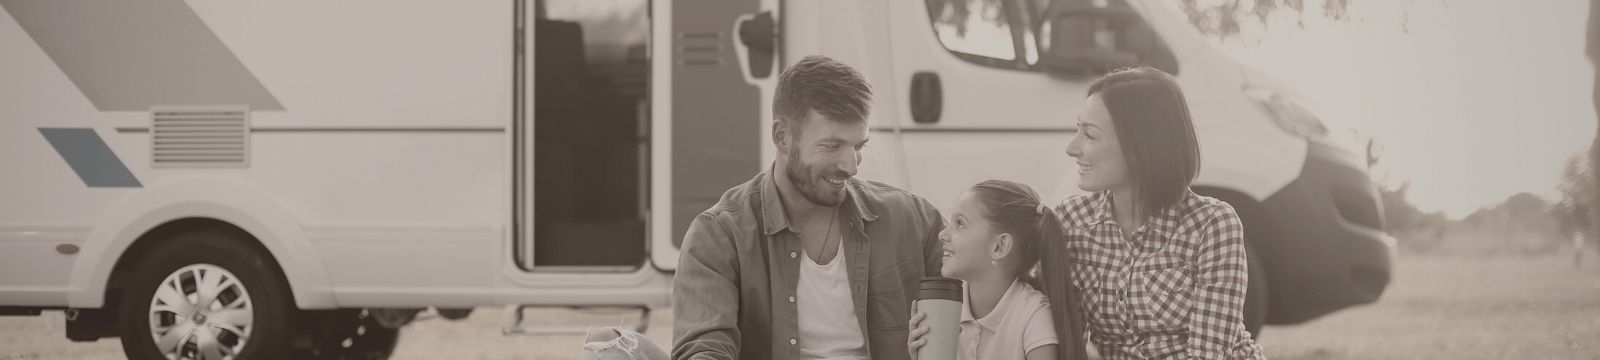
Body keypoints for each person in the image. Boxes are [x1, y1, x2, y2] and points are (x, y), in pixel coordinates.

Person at [663, 55, 945, 360]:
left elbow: (988, 305)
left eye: (858, 146)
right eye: (831, 146)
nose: (850, 166)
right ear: (782, 136)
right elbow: (704, 349)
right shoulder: (718, 237)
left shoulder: (914, 220)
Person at [1046, 67, 1265, 359]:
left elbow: (1207, 355)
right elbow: (1066, 341)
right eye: (1077, 130)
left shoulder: (1212, 225)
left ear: (1140, 147)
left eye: (1090, 136)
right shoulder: (1071, 221)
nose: (1072, 148)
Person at [906, 180, 1088, 360]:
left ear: (999, 247)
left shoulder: (1034, 316)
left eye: (960, 223)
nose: (942, 234)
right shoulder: (945, 310)